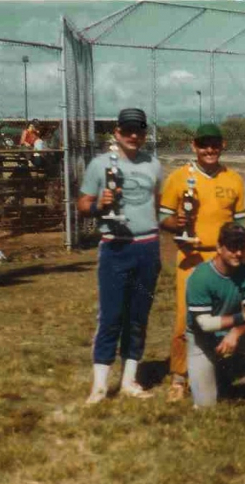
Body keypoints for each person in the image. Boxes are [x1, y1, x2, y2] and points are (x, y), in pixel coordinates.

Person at [77, 108, 163, 404]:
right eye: (127, 130)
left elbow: (158, 205)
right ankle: (100, 386)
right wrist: (100, 205)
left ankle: (129, 380)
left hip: (147, 247)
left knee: (138, 316)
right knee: (111, 315)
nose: (133, 136)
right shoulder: (100, 165)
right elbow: (83, 204)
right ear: (117, 133)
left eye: (138, 130)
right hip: (115, 247)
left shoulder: (154, 164)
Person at [159, 123, 245, 402]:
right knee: (186, 317)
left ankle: (218, 373)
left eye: (214, 144)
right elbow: (165, 218)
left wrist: (243, 258)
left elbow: (242, 224)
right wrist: (179, 224)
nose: (209, 150)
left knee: (223, 315)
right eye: (203, 144)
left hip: (225, 258)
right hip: (192, 255)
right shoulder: (178, 177)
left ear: (223, 146)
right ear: (193, 146)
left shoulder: (234, 179)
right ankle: (179, 376)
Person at [185, 223, 245, 412]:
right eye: (232, 247)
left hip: (229, 334)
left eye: (242, 247)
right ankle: (219, 373)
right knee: (205, 407)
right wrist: (242, 317)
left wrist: (235, 331)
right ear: (219, 247)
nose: (238, 253)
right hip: (202, 339)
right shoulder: (201, 276)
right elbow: (205, 324)